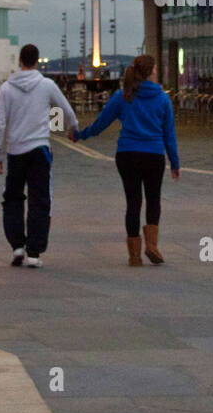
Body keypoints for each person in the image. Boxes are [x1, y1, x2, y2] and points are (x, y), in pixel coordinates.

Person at [71, 54, 179, 267]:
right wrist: (175, 163)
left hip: (127, 154)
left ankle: (134, 256)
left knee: (133, 202)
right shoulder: (163, 99)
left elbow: (101, 122)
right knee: (153, 199)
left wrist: (80, 135)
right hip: (154, 155)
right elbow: (169, 135)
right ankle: (152, 246)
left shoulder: (124, 95)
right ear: (152, 72)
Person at [0, 44, 78, 269]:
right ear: (37, 61)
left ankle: (17, 246)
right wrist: (72, 127)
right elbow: (65, 109)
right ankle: (34, 252)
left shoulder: (6, 89)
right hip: (39, 149)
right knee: (40, 199)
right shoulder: (47, 85)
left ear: (20, 61)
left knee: (12, 198)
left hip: (15, 151)